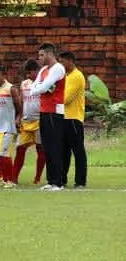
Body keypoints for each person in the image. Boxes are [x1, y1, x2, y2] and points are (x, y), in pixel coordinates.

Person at [30, 43, 67, 191]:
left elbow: (43, 87)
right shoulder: (43, 70)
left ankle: (58, 182)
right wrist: (40, 87)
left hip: (55, 111)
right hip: (44, 110)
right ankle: (51, 180)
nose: (39, 58)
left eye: (41, 55)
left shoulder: (58, 68)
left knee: (55, 146)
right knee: (46, 147)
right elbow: (33, 88)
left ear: (49, 54)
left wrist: (40, 87)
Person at [13, 59, 45, 185]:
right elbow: (22, 101)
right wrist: (18, 117)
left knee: (40, 149)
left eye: (30, 72)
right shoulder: (24, 84)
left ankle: (37, 178)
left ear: (37, 71)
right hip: (26, 120)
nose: (27, 75)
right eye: (26, 73)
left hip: (40, 120)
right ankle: (14, 178)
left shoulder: (43, 83)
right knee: (20, 148)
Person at [0, 65, 21, 188]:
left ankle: (11, 181)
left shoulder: (11, 88)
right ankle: (4, 179)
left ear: (4, 75)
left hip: (7, 127)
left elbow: (19, 107)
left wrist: (17, 119)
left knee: (3, 153)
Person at [59, 51, 87, 188]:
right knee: (64, 152)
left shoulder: (77, 76)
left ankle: (80, 181)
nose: (61, 65)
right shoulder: (65, 76)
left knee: (78, 151)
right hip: (63, 118)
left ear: (70, 61)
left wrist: (54, 95)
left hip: (73, 119)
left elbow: (66, 99)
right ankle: (62, 180)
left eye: (62, 62)